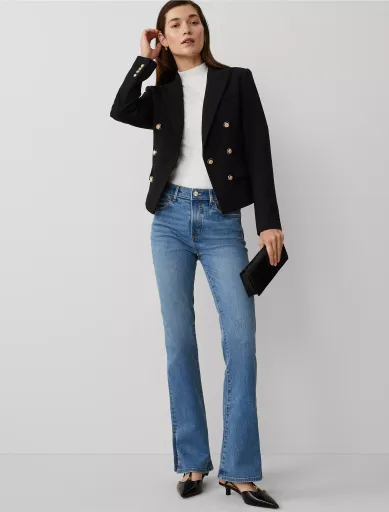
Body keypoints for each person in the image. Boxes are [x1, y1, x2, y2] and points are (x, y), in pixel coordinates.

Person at [110, 1, 284, 508]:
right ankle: (192, 460)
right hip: (168, 221)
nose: (187, 29)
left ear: (205, 29)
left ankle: (240, 470)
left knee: (241, 339)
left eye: (193, 21)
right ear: (164, 37)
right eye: (175, 24)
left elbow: (260, 149)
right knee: (180, 343)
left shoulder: (236, 81)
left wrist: (268, 220)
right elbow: (121, 108)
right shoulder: (160, 92)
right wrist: (144, 61)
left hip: (221, 222)